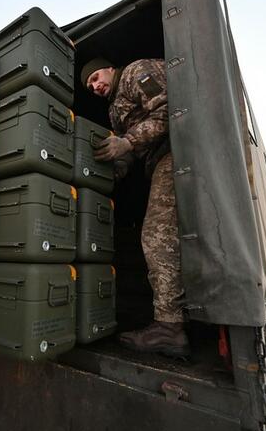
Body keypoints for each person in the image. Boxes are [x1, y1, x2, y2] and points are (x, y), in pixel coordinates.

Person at [81, 57, 189, 357]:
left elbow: (170, 110)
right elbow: (127, 153)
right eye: (90, 85)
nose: (95, 85)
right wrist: (109, 171)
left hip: (177, 150)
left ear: (110, 69)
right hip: (157, 160)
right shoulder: (115, 111)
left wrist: (127, 142)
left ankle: (169, 328)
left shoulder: (134, 72)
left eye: (96, 77)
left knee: (156, 236)